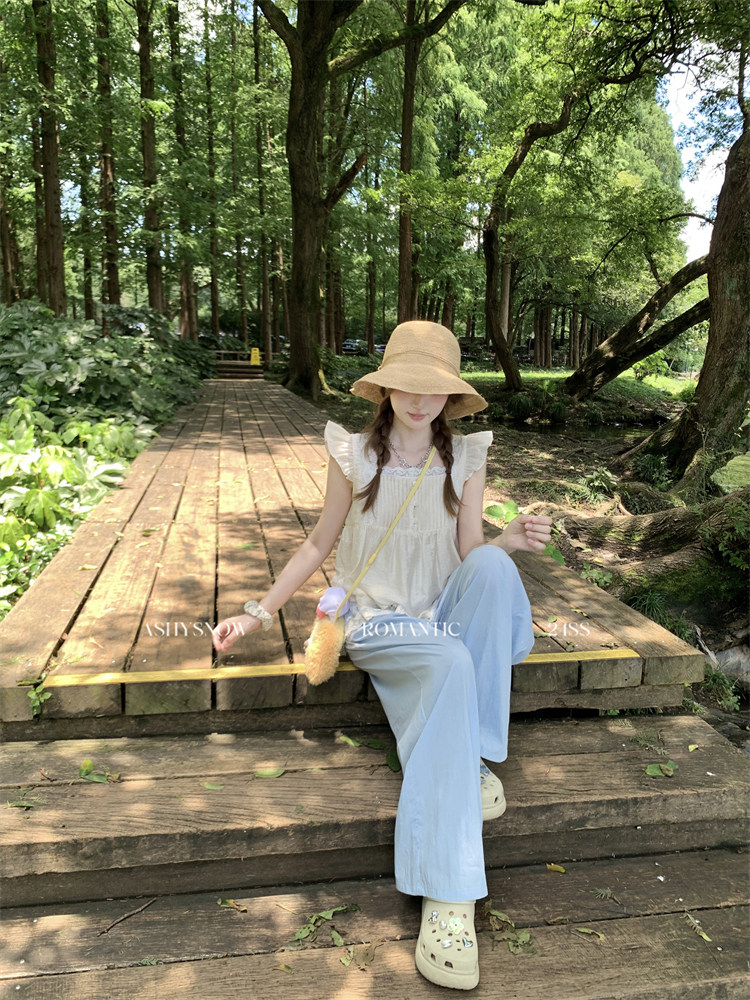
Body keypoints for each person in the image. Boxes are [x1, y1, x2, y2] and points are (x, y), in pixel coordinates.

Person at [213, 320, 552, 990]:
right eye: (407, 385)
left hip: (443, 611)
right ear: (386, 387)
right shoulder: (354, 454)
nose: (419, 400)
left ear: (452, 396)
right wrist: (257, 611)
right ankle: (449, 895)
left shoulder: (466, 457)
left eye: (434, 388)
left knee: (491, 568)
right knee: (449, 661)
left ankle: (475, 754)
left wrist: (507, 542)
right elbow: (319, 543)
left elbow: (468, 553)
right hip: (379, 620)